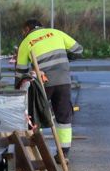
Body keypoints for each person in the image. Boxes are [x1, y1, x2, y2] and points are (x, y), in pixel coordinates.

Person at [15, 18, 83, 156]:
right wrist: (64, 58)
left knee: (36, 115)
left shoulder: (26, 42)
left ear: (28, 29)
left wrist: (17, 90)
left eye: (24, 31)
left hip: (43, 83)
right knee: (63, 116)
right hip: (63, 80)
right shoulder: (56, 33)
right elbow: (78, 50)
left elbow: (20, 72)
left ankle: (38, 151)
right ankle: (63, 153)